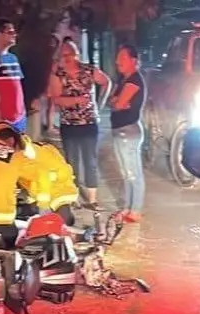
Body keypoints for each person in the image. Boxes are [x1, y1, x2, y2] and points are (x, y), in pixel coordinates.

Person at [48, 40, 111, 211]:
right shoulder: (58, 74)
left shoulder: (88, 70)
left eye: (70, 54)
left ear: (77, 54)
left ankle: (92, 199)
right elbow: (56, 99)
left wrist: (100, 102)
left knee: (90, 160)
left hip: (90, 123)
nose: (66, 58)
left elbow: (106, 82)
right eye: (63, 55)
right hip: (69, 124)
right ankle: (73, 197)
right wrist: (75, 100)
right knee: (72, 162)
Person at [109, 44, 147, 224]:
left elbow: (117, 104)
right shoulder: (124, 81)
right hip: (121, 130)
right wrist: (118, 102)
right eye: (118, 58)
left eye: (122, 58)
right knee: (126, 173)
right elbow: (113, 102)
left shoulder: (134, 80)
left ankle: (136, 210)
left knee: (133, 173)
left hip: (128, 131)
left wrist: (118, 102)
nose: (118, 62)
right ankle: (128, 208)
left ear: (133, 61)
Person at [18, 135, 79, 226]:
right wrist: (42, 205)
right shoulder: (50, 188)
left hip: (43, 151)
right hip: (32, 152)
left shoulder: (68, 189)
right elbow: (42, 176)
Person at [0, 19, 27, 134]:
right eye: (10, 32)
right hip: (1, 120)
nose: (14, 35)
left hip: (19, 119)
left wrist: (22, 112)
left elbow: (18, 87)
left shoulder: (13, 58)